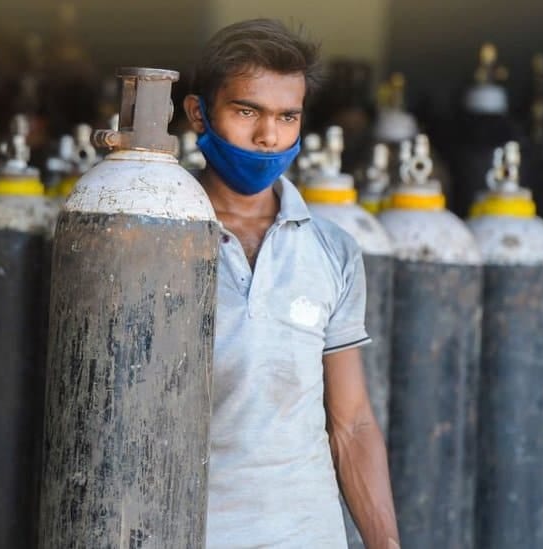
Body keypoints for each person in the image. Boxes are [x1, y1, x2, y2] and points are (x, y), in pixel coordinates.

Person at [182, 19, 401, 548]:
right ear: (197, 113)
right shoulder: (160, 234)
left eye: (287, 116)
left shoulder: (333, 250)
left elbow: (350, 423)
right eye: (246, 111)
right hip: (189, 532)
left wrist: (385, 542)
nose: (268, 136)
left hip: (307, 534)